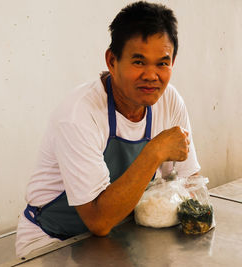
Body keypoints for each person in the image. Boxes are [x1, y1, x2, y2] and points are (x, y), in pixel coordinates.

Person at [16, 1, 200, 257]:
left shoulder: (169, 101)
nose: (151, 75)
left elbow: (189, 181)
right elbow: (98, 220)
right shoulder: (79, 115)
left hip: (119, 236)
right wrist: (154, 151)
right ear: (112, 60)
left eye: (162, 63)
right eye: (139, 62)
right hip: (53, 244)